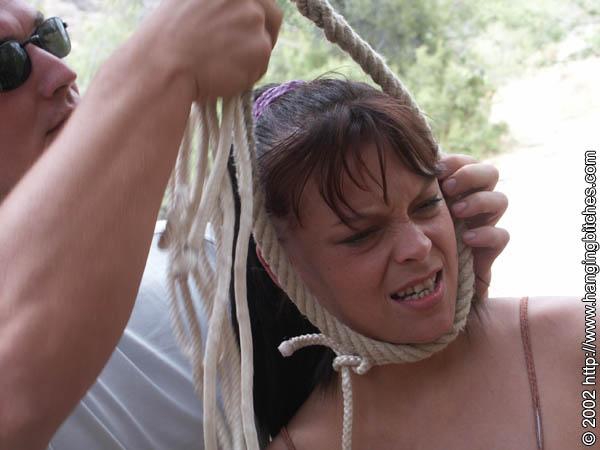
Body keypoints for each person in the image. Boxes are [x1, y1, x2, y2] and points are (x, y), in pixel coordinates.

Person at [0, 2, 507, 450]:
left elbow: (360, 380)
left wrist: (453, 304)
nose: (61, 72)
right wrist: (155, 65)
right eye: (6, 63)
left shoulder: (203, 258)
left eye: (49, 36)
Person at [237, 79, 583, 449]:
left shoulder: (578, 341)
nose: (418, 246)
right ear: (280, 268)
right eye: (362, 234)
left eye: (426, 205)